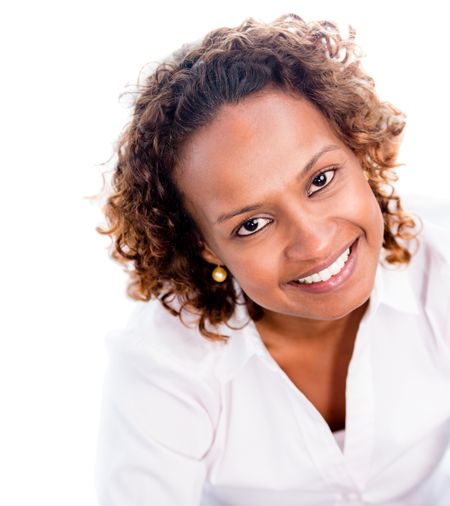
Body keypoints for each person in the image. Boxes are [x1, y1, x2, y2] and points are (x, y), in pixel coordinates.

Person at [94, 13, 450, 505]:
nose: (314, 242)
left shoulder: (440, 265)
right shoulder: (163, 360)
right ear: (203, 244)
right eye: (252, 224)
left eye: (321, 180)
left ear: (357, 150)